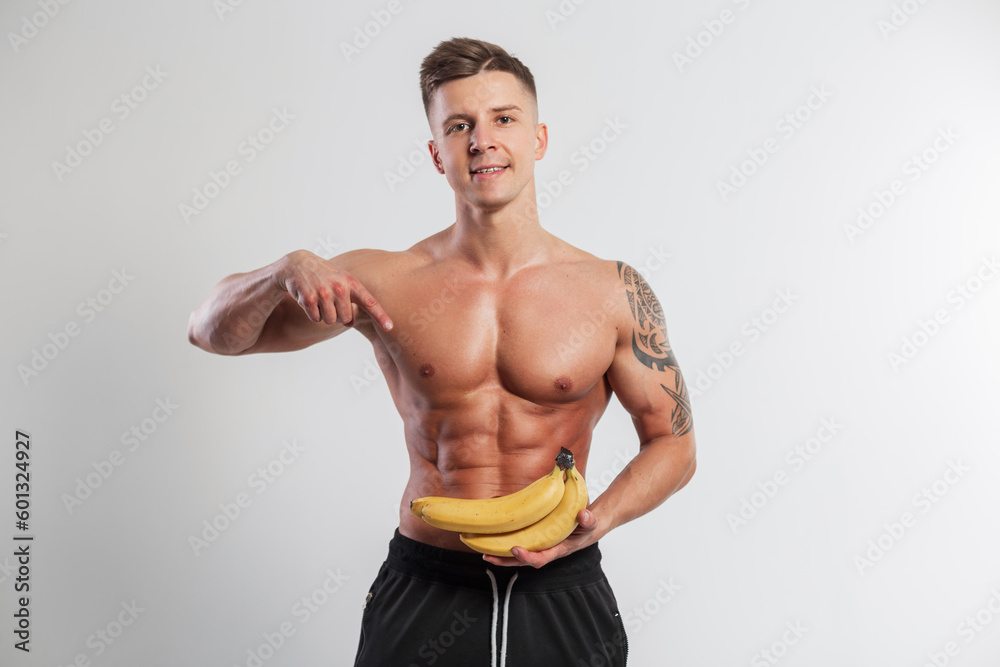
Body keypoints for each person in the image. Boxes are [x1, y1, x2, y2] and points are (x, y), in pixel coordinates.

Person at [188, 37, 696, 667]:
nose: (482, 140)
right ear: (436, 154)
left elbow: (673, 443)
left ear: (538, 139)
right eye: (460, 126)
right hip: (427, 581)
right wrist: (282, 270)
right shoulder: (384, 281)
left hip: (561, 586)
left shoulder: (612, 290)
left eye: (503, 119)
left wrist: (599, 519)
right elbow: (211, 333)